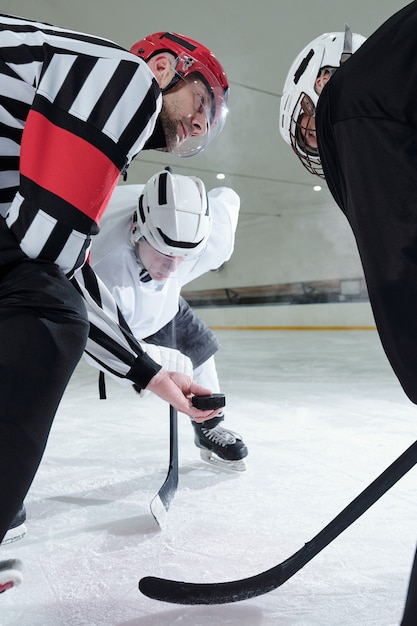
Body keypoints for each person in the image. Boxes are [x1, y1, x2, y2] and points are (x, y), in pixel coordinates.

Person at [0, 14, 229, 592]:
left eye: (210, 121)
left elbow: (47, 256)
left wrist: (150, 372)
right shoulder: (120, 78)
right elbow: (49, 262)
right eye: (201, 97)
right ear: (162, 67)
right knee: (46, 314)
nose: (202, 120)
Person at [279, 3, 417, 624]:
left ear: (314, 96)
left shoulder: (351, 107)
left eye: (306, 130)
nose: (318, 142)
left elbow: (398, 258)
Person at [83, 169, 248, 471]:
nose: (171, 267)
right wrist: (154, 360)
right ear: (136, 229)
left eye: (182, 257)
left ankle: (209, 426)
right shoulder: (101, 261)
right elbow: (94, 340)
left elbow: (227, 199)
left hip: (167, 304)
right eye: (163, 253)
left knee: (199, 348)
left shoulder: (212, 241)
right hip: (119, 316)